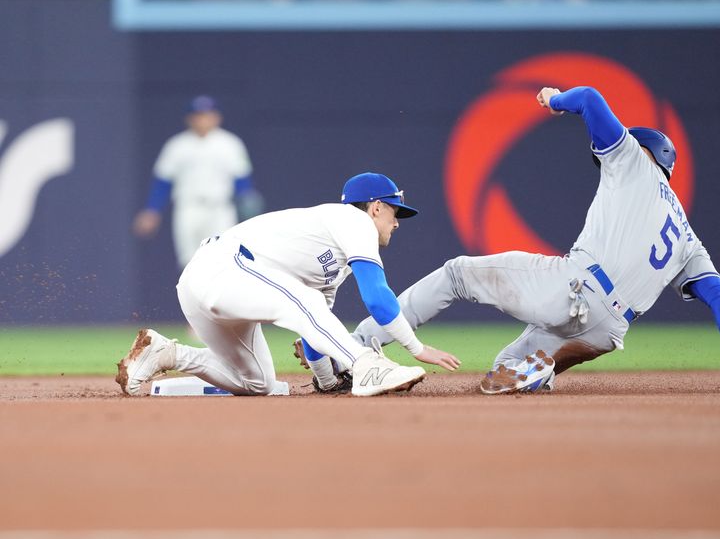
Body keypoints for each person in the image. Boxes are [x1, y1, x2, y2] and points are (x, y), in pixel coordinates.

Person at [339, 86, 720, 395]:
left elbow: (592, 100)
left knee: (457, 273)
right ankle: (537, 372)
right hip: (607, 332)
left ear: (644, 151)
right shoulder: (687, 236)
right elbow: (719, 296)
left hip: (575, 286)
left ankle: (359, 345)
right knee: (499, 376)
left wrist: (557, 98)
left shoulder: (634, 162)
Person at [116, 172, 461, 397]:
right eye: (394, 212)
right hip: (222, 267)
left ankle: (167, 352)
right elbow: (378, 298)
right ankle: (368, 367)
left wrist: (326, 378)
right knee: (303, 301)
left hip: (212, 286)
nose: (397, 223)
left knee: (258, 383)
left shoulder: (335, 263)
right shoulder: (351, 220)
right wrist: (416, 348)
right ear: (374, 208)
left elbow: (316, 325)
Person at [132, 95, 263, 269]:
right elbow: (163, 182)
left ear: (217, 117)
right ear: (189, 118)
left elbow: (242, 181)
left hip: (220, 209)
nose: (203, 119)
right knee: (189, 263)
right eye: (198, 115)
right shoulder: (177, 145)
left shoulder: (230, 143)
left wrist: (249, 209)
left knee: (222, 260)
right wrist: (152, 210)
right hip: (188, 208)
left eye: (208, 114)